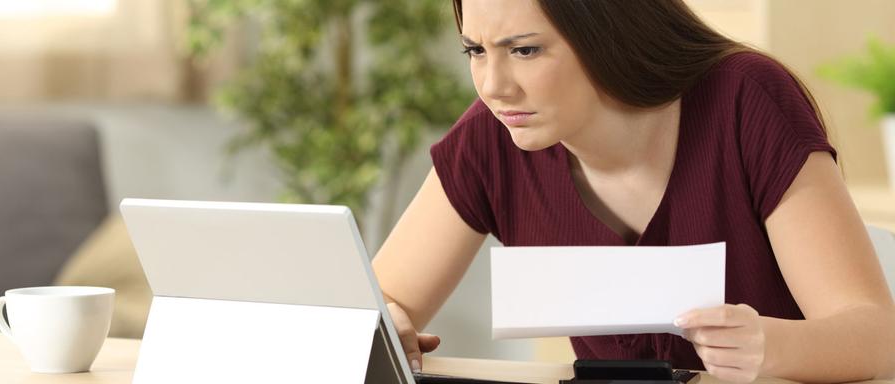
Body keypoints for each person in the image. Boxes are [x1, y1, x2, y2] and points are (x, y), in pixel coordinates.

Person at [371, 0, 895, 383]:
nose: (492, 86)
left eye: (525, 50)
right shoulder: (492, 135)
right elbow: (378, 301)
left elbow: (876, 336)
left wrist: (770, 347)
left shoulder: (746, 100)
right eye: (475, 50)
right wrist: (388, 322)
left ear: (608, 31)